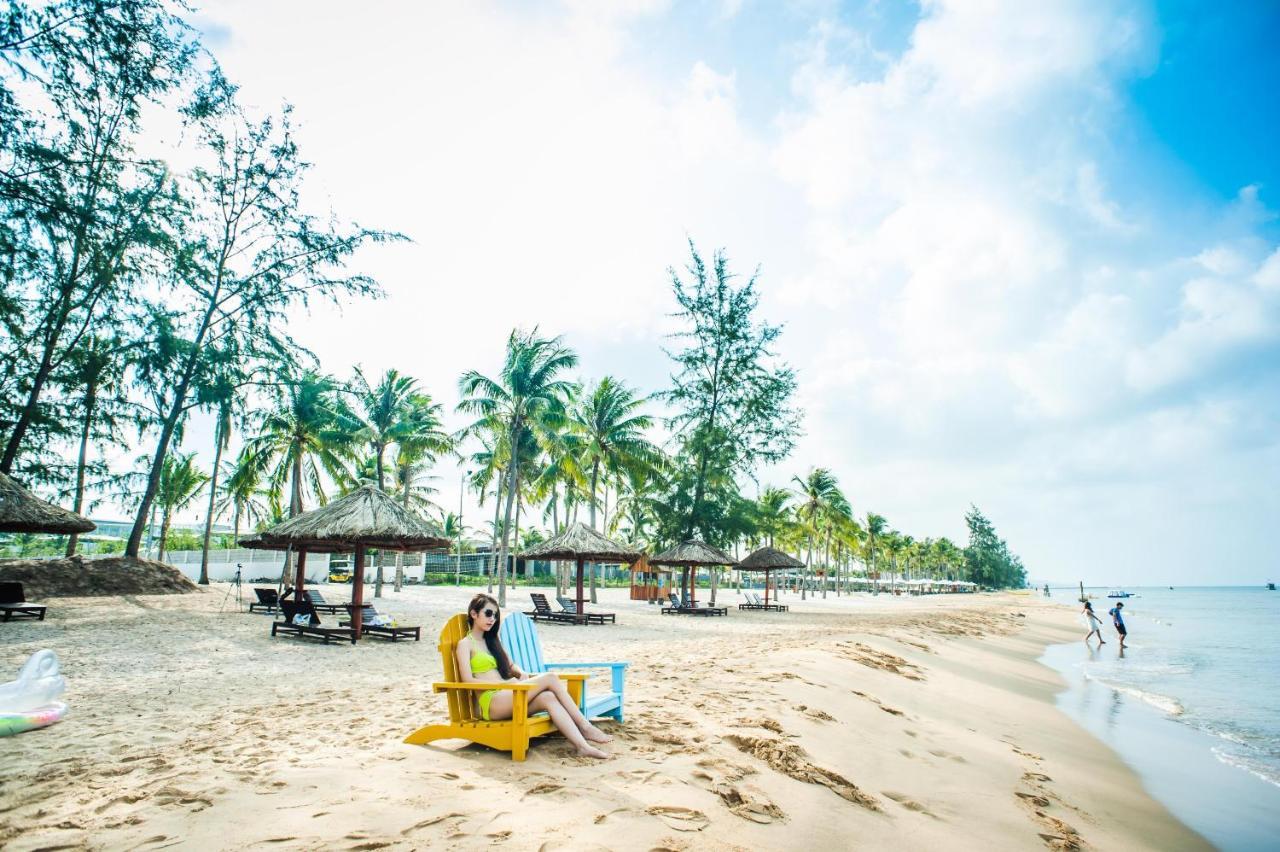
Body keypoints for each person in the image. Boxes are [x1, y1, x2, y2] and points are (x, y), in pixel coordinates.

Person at [455, 593, 612, 759]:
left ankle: (582, 747)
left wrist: (521, 672)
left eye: (495, 615)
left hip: (509, 695)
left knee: (549, 697)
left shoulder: (493, 641)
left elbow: (510, 665)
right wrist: (507, 685)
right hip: (492, 702)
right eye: (488, 613)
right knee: (550, 677)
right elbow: (467, 680)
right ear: (474, 614)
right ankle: (584, 726)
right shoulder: (465, 644)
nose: (492, 618)